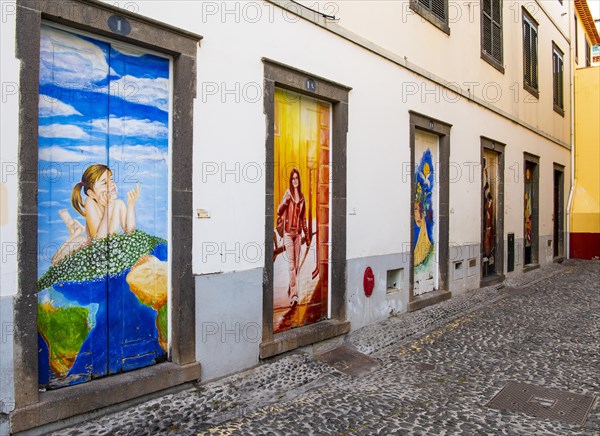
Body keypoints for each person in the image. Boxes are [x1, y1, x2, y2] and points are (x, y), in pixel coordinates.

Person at [51, 164, 140, 265]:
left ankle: (76, 230)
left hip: (106, 251)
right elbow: (99, 241)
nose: (111, 184)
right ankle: (77, 232)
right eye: (104, 183)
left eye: (111, 179)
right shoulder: (90, 202)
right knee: (55, 260)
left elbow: (130, 232)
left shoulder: (119, 204)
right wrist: (108, 207)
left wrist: (131, 204)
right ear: (92, 194)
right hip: (87, 246)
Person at [277, 168, 310, 306]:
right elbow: (279, 211)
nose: (295, 180)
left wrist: (307, 236)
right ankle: (294, 296)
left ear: (299, 180)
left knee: (296, 265)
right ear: (291, 180)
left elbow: (303, 220)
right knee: (291, 264)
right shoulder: (287, 194)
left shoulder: (302, 198)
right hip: (288, 234)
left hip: (298, 234)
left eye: (297, 178)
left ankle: (291, 288)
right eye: (293, 178)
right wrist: (285, 201)